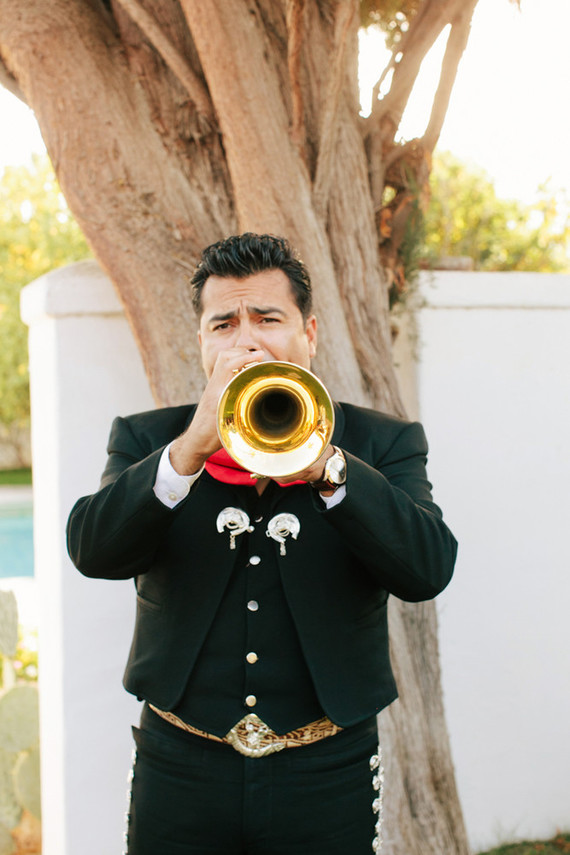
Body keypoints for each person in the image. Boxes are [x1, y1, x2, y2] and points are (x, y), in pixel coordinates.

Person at [66, 232, 457, 855]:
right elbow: (95, 552)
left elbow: (427, 569)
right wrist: (189, 448)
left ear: (310, 332)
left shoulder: (384, 443)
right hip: (180, 764)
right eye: (224, 323)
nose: (245, 339)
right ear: (202, 342)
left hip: (328, 767)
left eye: (268, 318)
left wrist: (326, 466)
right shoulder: (148, 441)